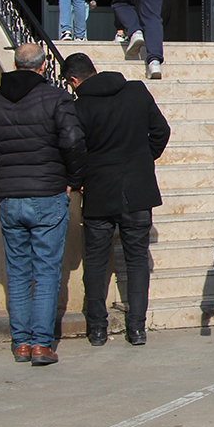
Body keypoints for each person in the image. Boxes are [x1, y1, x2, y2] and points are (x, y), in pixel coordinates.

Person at [0, 43, 85, 367]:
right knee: (47, 271)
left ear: (15, 64)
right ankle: (40, 344)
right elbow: (73, 142)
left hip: (10, 198)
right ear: (42, 67)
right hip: (48, 193)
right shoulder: (56, 99)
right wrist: (73, 180)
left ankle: (21, 343)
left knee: (18, 272)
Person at [61, 52, 170, 347]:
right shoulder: (136, 91)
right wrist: (143, 159)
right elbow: (161, 131)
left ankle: (97, 328)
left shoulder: (79, 107)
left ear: (74, 80)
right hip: (137, 188)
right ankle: (137, 329)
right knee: (137, 260)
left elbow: (74, 149)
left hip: (99, 190)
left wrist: (79, 179)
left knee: (96, 261)